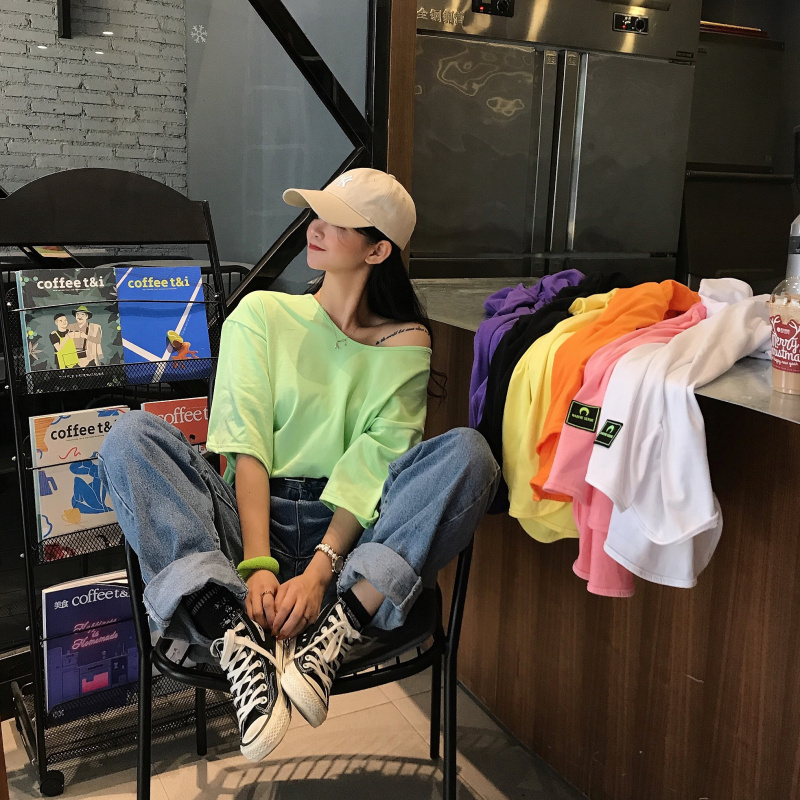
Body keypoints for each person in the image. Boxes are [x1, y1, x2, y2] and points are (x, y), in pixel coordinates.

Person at [98, 169, 500, 762]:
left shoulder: (407, 341)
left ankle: (342, 622)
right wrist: (258, 566)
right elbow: (247, 446)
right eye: (318, 212)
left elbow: (373, 469)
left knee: (470, 454)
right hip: (245, 526)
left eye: (338, 221)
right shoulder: (262, 313)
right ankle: (232, 629)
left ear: (377, 250)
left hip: (347, 545)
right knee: (129, 437)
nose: (316, 227)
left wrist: (317, 575)